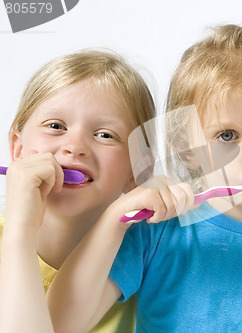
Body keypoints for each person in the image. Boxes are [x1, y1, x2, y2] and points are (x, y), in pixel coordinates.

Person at [47, 24, 242, 332]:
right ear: (188, 151)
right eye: (227, 135)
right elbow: (59, 325)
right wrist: (115, 218)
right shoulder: (155, 234)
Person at [0, 49, 156, 333]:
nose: (75, 146)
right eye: (56, 126)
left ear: (137, 171)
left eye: (105, 135)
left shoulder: (147, 256)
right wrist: (19, 229)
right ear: (18, 149)